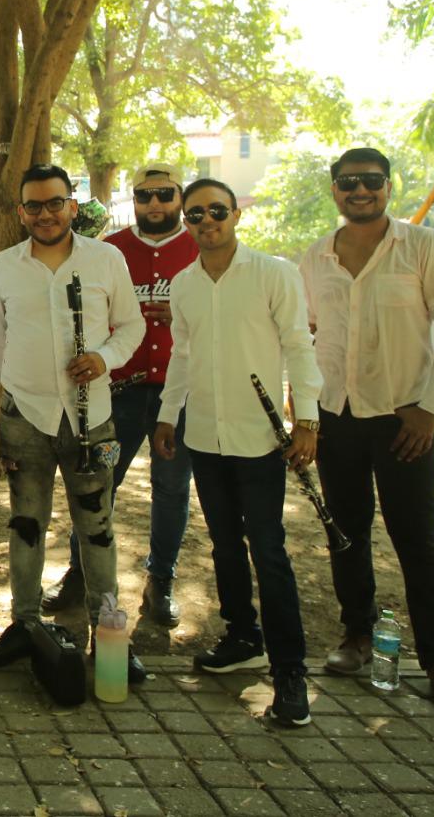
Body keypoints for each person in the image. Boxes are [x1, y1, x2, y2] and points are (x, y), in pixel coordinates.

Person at [299, 147, 434, 715]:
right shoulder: (315, 258)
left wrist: (428, 409)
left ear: (388, 185)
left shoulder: (426, 247)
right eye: (348, 182)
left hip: (405, 419)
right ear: (334, 190)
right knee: (345, 534)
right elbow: (303, 343)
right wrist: (304, 413)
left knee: (417, 541)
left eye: (371, 181)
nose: (360, 191)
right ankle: (355, 635)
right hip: (336, 418)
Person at [151, 177, 321, 728]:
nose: (206, 222)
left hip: (259, 439)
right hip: (205, 435)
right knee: (224, 543)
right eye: (194, 214)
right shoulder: (184, 284)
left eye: (216, 211)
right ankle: (242, 637)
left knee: (268, 550)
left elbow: (298, 346)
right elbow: (182, 356)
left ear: (236, 214)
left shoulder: (274, 273)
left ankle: (290, 671)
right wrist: (166, 416)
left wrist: (309, 419)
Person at [0, 164, 147, 681]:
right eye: (34, 206)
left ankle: (109, 635)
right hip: (23, 415)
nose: (45, 214)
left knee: (97, 530)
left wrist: (104, 356)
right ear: (21, 211)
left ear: (73, 205)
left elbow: (132, 325)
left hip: (91, 418)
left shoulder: (106, 258)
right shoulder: (5, 265)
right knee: (26, 525)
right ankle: (25, 626)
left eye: (54, 203)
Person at [43, 164, 197, 626]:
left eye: (164, 194)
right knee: (98, 486)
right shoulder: (111, 250)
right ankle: (79, 574)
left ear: (179, 197)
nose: (154, 204)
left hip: (178, 392)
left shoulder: (197, 248)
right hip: (120, 391)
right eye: (144, 195)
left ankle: (161, 580)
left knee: (171, 490)